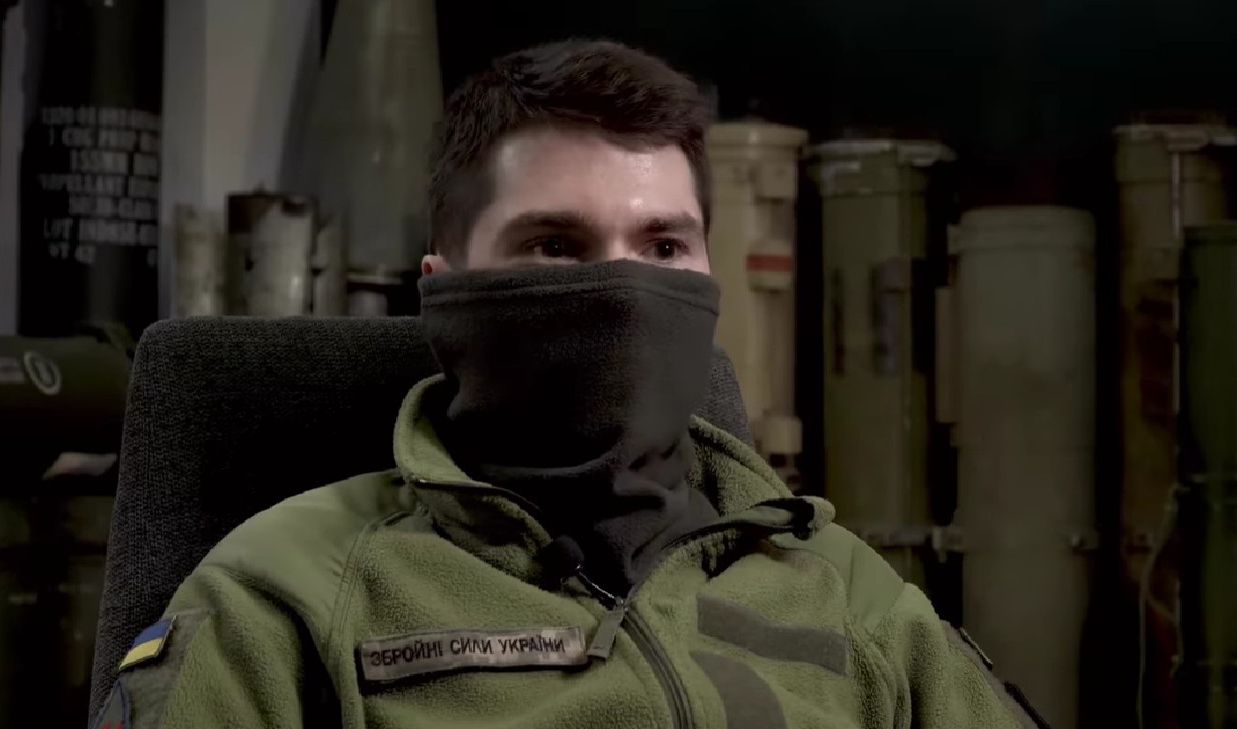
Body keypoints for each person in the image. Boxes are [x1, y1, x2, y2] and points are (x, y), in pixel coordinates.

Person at [95, 40, 1045, 729]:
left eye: (662, 246)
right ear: (443, 289)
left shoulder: (839, 584)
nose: (623, 291)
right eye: (555, 244)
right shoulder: (288, 592)